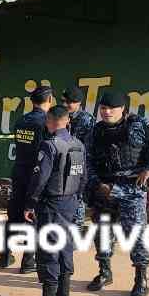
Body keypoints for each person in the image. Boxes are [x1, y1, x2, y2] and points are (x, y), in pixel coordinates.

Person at [85, 91, 149, 296]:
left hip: (132, 189)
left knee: (136, 235)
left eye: (111, 108)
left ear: (123, 109)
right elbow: (88, 160)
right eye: (103, 108)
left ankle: (141, 280)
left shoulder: (140, 124)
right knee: (102, 233)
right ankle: (105, 272)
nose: (106, 112)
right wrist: (97, 183)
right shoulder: (96, 131)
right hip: (104, 189)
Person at [22, 106, 87, 296]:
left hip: (51, 203)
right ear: (67, 121)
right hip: (71, 202)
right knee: (65, 247)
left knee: (49, 250)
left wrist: (30, 203)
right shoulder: (78, 144)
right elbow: (83, 177)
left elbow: (40, 178)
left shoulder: (50, 145)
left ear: (49, 122)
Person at [0, 85, 53, 273]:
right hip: (35, 174)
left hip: (19, 170)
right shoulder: (46, 122)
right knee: (31, 215)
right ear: (50, 100)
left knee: (13, 214)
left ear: (32, 101)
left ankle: (5, 256)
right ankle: (28, 262)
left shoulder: (21, 121)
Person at [63, 86, 95, 225]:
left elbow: (88, 147)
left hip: (79, 164)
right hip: (63, 163)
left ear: (78, 103)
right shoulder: (62, 117)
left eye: (69, 102)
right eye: (63, 101)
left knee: (77, 197)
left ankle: (76, 227)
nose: (65, 105)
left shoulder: (86, 119)